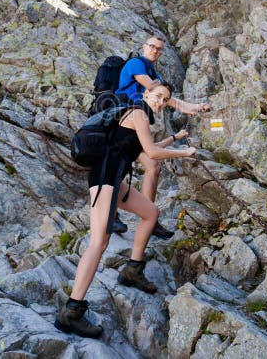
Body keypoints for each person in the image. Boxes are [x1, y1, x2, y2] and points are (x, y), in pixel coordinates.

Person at [55, 83, 196, 338]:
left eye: (166, 100)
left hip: (114, 179)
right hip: (106, 179)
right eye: (158, 97)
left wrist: (175, 140)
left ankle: (132, 269)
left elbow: (144, 148)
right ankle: (71, 312)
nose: (161, 103)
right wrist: (185, 152)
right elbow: (152, 153)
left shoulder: (136, 116)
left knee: (151, 212)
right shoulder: (139, 114)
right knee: (99, 242)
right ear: (146, 95)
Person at [114, 35, 211, 238]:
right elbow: (154, 90)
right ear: (144, 46)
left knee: (151, 166)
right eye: (152, 47)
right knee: (125, 165)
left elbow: (165, 98)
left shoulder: (152, 70)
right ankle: (114, 215)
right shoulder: (135, 64)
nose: (155, 51)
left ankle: (147, 217)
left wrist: (194, 108)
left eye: (159, 49)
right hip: (124, 121)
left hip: (134, 122)